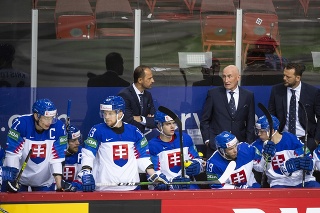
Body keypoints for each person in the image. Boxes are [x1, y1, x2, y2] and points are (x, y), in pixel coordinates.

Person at [79, 96, 170, 191]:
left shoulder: (134, 131)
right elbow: (88, 154)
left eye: (110, 113)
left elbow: (143, 158)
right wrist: (86, 172)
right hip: (104, 188)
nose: (106, 117)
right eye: (105, 113)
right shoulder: (97, 130)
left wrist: (154, 176)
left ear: (120, 113)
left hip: (131, 187)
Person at [3, 98, 73, 192]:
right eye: (46, 118)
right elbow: (13, 154)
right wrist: (11, 180)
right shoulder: (20, 124)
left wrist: (59, 185)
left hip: (44, 180)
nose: (50, 122)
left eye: (52, 118)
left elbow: (57, 157)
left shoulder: (59, 127)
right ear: (36, 116)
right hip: (19, 179)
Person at [200, 65, 256, 158]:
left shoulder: (248, 96)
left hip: (239, 149)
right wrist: (208, 141)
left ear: (238, 77)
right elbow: (205, 120)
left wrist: (248, 145)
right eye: (224, 76)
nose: (226, 80)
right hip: (217, 147)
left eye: (229, 76)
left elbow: (250, 124)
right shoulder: (213, 94)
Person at [252, 115, 320, 188]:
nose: (258, 134)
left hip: (302, 180)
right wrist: (266, 158)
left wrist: (307, 164)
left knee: (316, 189)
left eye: (261, 131)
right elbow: (259, 168)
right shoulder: (257, 146)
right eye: (258, 131)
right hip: (279, 182)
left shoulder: (291, 139)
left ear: (271, 130)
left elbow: (308, 159)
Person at [268, 63, 320, 153]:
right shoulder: (276, 90)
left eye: (288, 77)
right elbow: (271, 115)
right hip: (282, 140)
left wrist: (316, 141)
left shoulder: (312, 92)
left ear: (298, 78)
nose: (284, 78)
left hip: (306, 140)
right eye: (284, 75)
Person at [148, 111, 205, 190]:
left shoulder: (185, 138)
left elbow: (198, 160)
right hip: (167, 188)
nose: (172, 127)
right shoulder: (152, 145)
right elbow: (153, 173)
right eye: (168, 124)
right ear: (159, 126)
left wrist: (198, 165)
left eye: (173, 123)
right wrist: (170, 184)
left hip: (188, 184)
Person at [118, 65, 156, 134]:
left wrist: (141, 119)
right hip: (127, 137)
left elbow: (154, 120)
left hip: (141, 138)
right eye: (149, 78)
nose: (153, 81)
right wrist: (146, 121)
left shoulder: (148, 95)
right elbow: (127, 120)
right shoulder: (125, 95)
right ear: (140, 80)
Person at [62, 124, 84, 191]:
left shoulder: (82, 153)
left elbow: (83, 179)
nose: (77, 143)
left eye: (78, 139)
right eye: (73, 141)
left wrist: (73, 186)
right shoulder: (55, 154)